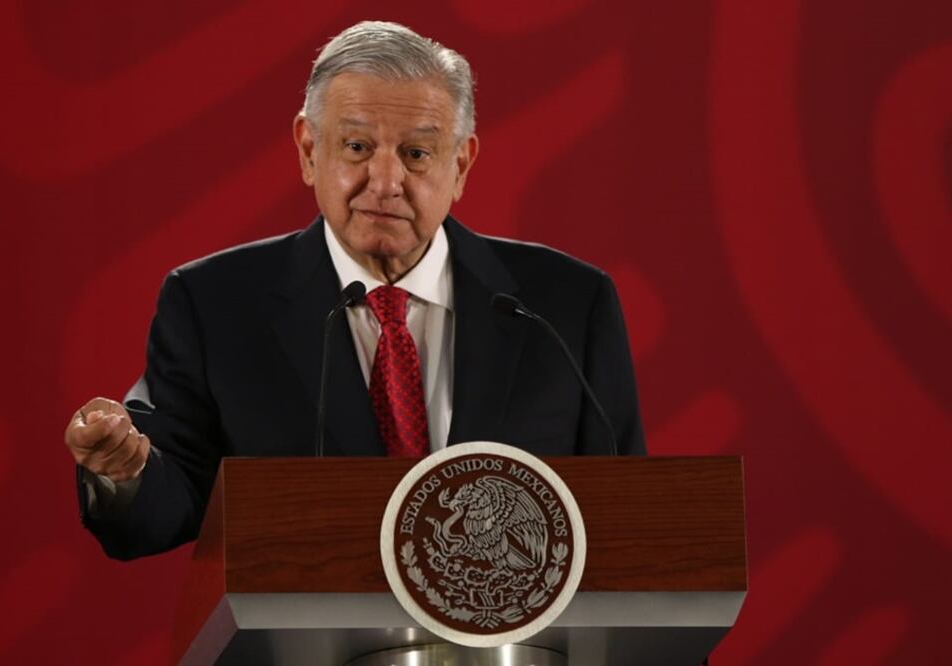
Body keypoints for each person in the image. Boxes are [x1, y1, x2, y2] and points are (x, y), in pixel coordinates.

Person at [64, 21, 645, 561]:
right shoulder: (214, 304)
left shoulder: (565, 305)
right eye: (357, 148)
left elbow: (628, 521)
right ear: (309, 151)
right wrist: (124, 471)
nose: (386, 182)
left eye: (417, 154)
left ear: (462, 164)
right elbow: (162, 509)